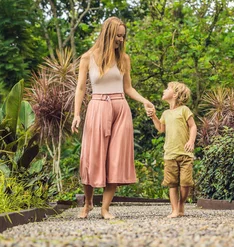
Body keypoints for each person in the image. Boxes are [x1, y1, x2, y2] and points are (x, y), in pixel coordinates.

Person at [71, 17, 154, 219]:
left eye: (122, 36)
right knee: (91, 157)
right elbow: (81, 88)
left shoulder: (124, 58)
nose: (120, 39)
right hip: (98, 107)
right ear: (108, 33)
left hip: (120, 108)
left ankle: (105, 209)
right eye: (117, 35)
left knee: (115, 159)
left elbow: (128, 88)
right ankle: (88, 203)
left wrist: (144, 101)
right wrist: (76, 114)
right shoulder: (87, 58)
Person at [147, 82, 197, 218]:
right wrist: (153, 117)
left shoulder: (184, 110)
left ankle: (181, 204)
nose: (164, 90)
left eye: (167, 89)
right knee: (172, 184)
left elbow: (193, 126)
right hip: (170, 154)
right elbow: (161, 128)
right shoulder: (166, 113)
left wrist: (191, 141)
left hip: (185, 153)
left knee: (186, 183)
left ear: (175, 95)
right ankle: (175, 210)